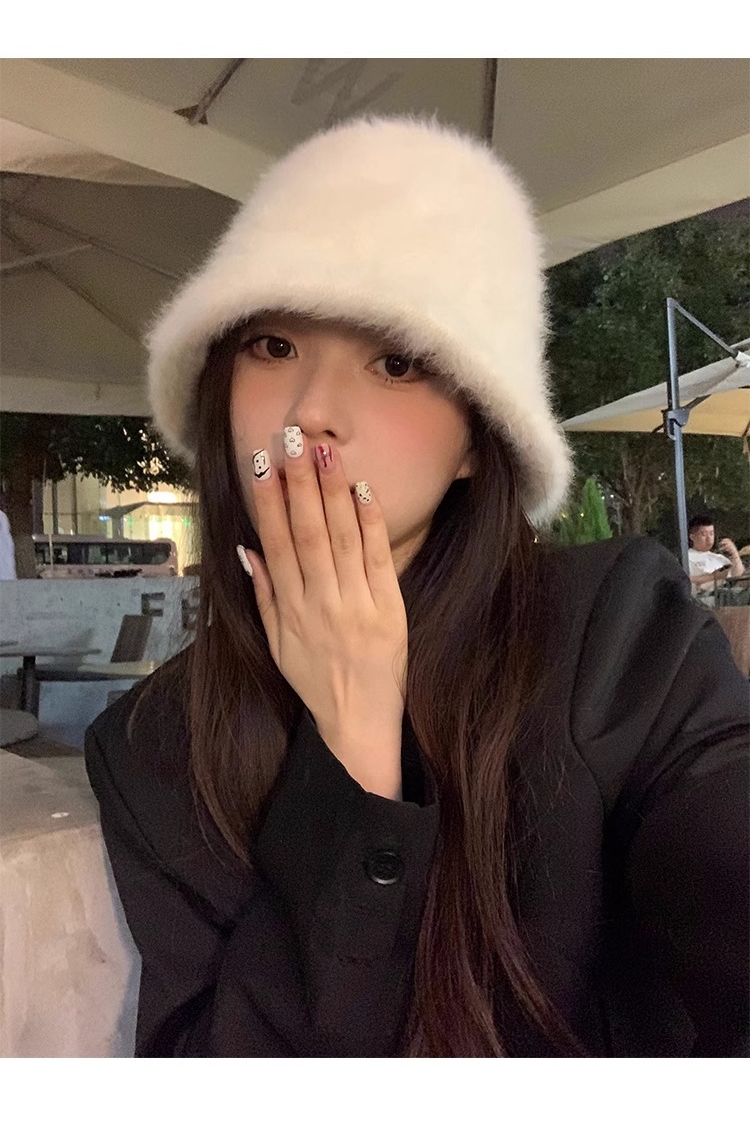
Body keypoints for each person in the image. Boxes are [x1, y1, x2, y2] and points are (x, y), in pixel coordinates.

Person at [84, 117, 749, 1058]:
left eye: (395, 361)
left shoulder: (617, 639)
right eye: (272, 344)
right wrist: (353, 759)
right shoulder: (153, 742)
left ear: (480, 437)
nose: (312, 410)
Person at [688, 514, 745, 589]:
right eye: (704, 535)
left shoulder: (719, 558)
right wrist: (714, 576)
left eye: (711, 534)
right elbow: (685, 580)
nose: (709, 539)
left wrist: (734, 553)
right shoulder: (686, 557)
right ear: (692, 537)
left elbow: (740, 577)